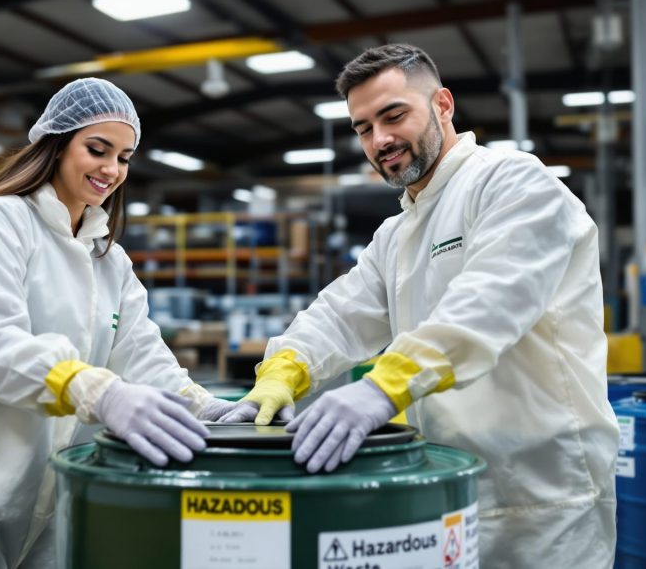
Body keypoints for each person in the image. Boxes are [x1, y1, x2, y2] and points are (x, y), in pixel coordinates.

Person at [220, 44, 618, 568]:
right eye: (363, 128)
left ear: (443, 105)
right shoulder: (399, 232)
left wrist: (382, 386)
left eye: (394, 115)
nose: (380, 139)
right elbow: (340, 313)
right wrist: (282, 370)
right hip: (448, 491)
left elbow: (488, 304)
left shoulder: (514, 183)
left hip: (545, 501)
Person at [0, 78, 236, 568]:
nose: (111, 169)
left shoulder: (109, 261)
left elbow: (141, 354)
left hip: (47, 487)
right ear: (55, 145)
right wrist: (99, 392)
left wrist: (206, 408)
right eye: (98, 149)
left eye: (124, 157)